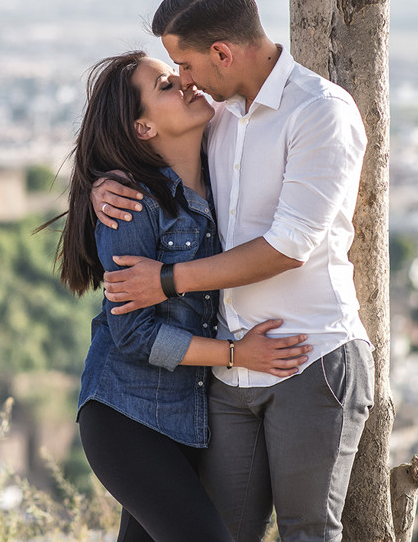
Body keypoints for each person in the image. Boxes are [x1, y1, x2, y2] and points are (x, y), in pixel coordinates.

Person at [92, 0, 374, 542]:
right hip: (224, 375)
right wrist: (96, 187)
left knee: (308, 531)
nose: (187, 84)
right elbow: (135, 141)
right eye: (175, 79)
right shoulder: (218, 118)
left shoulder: (319, 112)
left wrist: (168, 281)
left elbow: (290, 245)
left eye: (186, 68)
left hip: (309, 355)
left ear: (222, 53)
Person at [52, 51, 311, 542]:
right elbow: (133, 335)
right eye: (167, 86)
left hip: (188, 421)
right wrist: (236, 354)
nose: (187, 84)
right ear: (144, 128)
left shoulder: (222, 176)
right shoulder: (129, 202)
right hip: (125, 417)